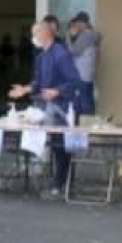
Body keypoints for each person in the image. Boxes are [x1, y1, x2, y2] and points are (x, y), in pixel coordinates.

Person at [9, 20, 82, 198]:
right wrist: (24, 90)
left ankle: (61, 183)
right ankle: (51, 180)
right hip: (45, 106)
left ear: (45, 34)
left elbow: (74, 81)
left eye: (35, 33)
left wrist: (57, 91)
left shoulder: (61, 54)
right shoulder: (41, 57)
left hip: (62, 107)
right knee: (47, 142)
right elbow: (38, 82)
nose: (33, 37)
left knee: (60, 146)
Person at [67, 12, 101, 118]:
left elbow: (73, 51)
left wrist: (69, 38)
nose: (75, 26)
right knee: (87, 102)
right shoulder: (92, 35)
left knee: (83, 105)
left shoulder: (86, 36)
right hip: (87, 75)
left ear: (82, 23)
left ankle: (85, 127)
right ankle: (88, 126)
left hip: (81, 75)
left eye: (77, 23)